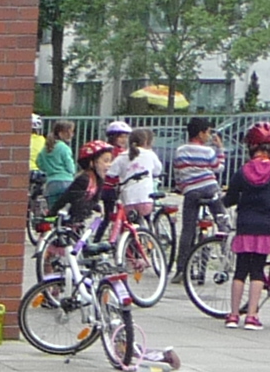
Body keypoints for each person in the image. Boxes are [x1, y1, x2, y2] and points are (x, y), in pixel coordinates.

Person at [224, 122, 270, 329]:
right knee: (257, 271)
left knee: (240, 270)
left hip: (244, 225)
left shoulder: (243, 171)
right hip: (265, 227)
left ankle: (233, 315)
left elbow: (230, 199)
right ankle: (251, 316)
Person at [173, 116, 231, 246]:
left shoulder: (180, 151)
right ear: (201, 133)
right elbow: (219, 168)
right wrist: (220, 149)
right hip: (210, 187)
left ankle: (184, 258)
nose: (209, 136)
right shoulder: (208, 151)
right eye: (208, 132)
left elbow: (177, 173)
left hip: (191, 190)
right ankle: (227, 249)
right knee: (222, 220)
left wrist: (180, 187)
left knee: (188, 228)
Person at [107, 128, 164, 221]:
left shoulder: (122, 156)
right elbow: (157, 171)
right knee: (147, 218)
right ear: (146, 141)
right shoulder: (150, 154)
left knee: (129, 221)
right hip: (146, 199)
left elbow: (111, 173)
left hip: (128, 200)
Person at [38, 120, 78, 209]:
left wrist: (48, 169)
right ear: (61, 134)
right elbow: (70, 168)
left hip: (51, 183)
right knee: (66, 210)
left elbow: (39, 163)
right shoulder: (64, 148)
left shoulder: (45, 148)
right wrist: (73, 172)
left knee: (53, 210)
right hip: (66, 182)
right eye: (70, 132)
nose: (72, 135)